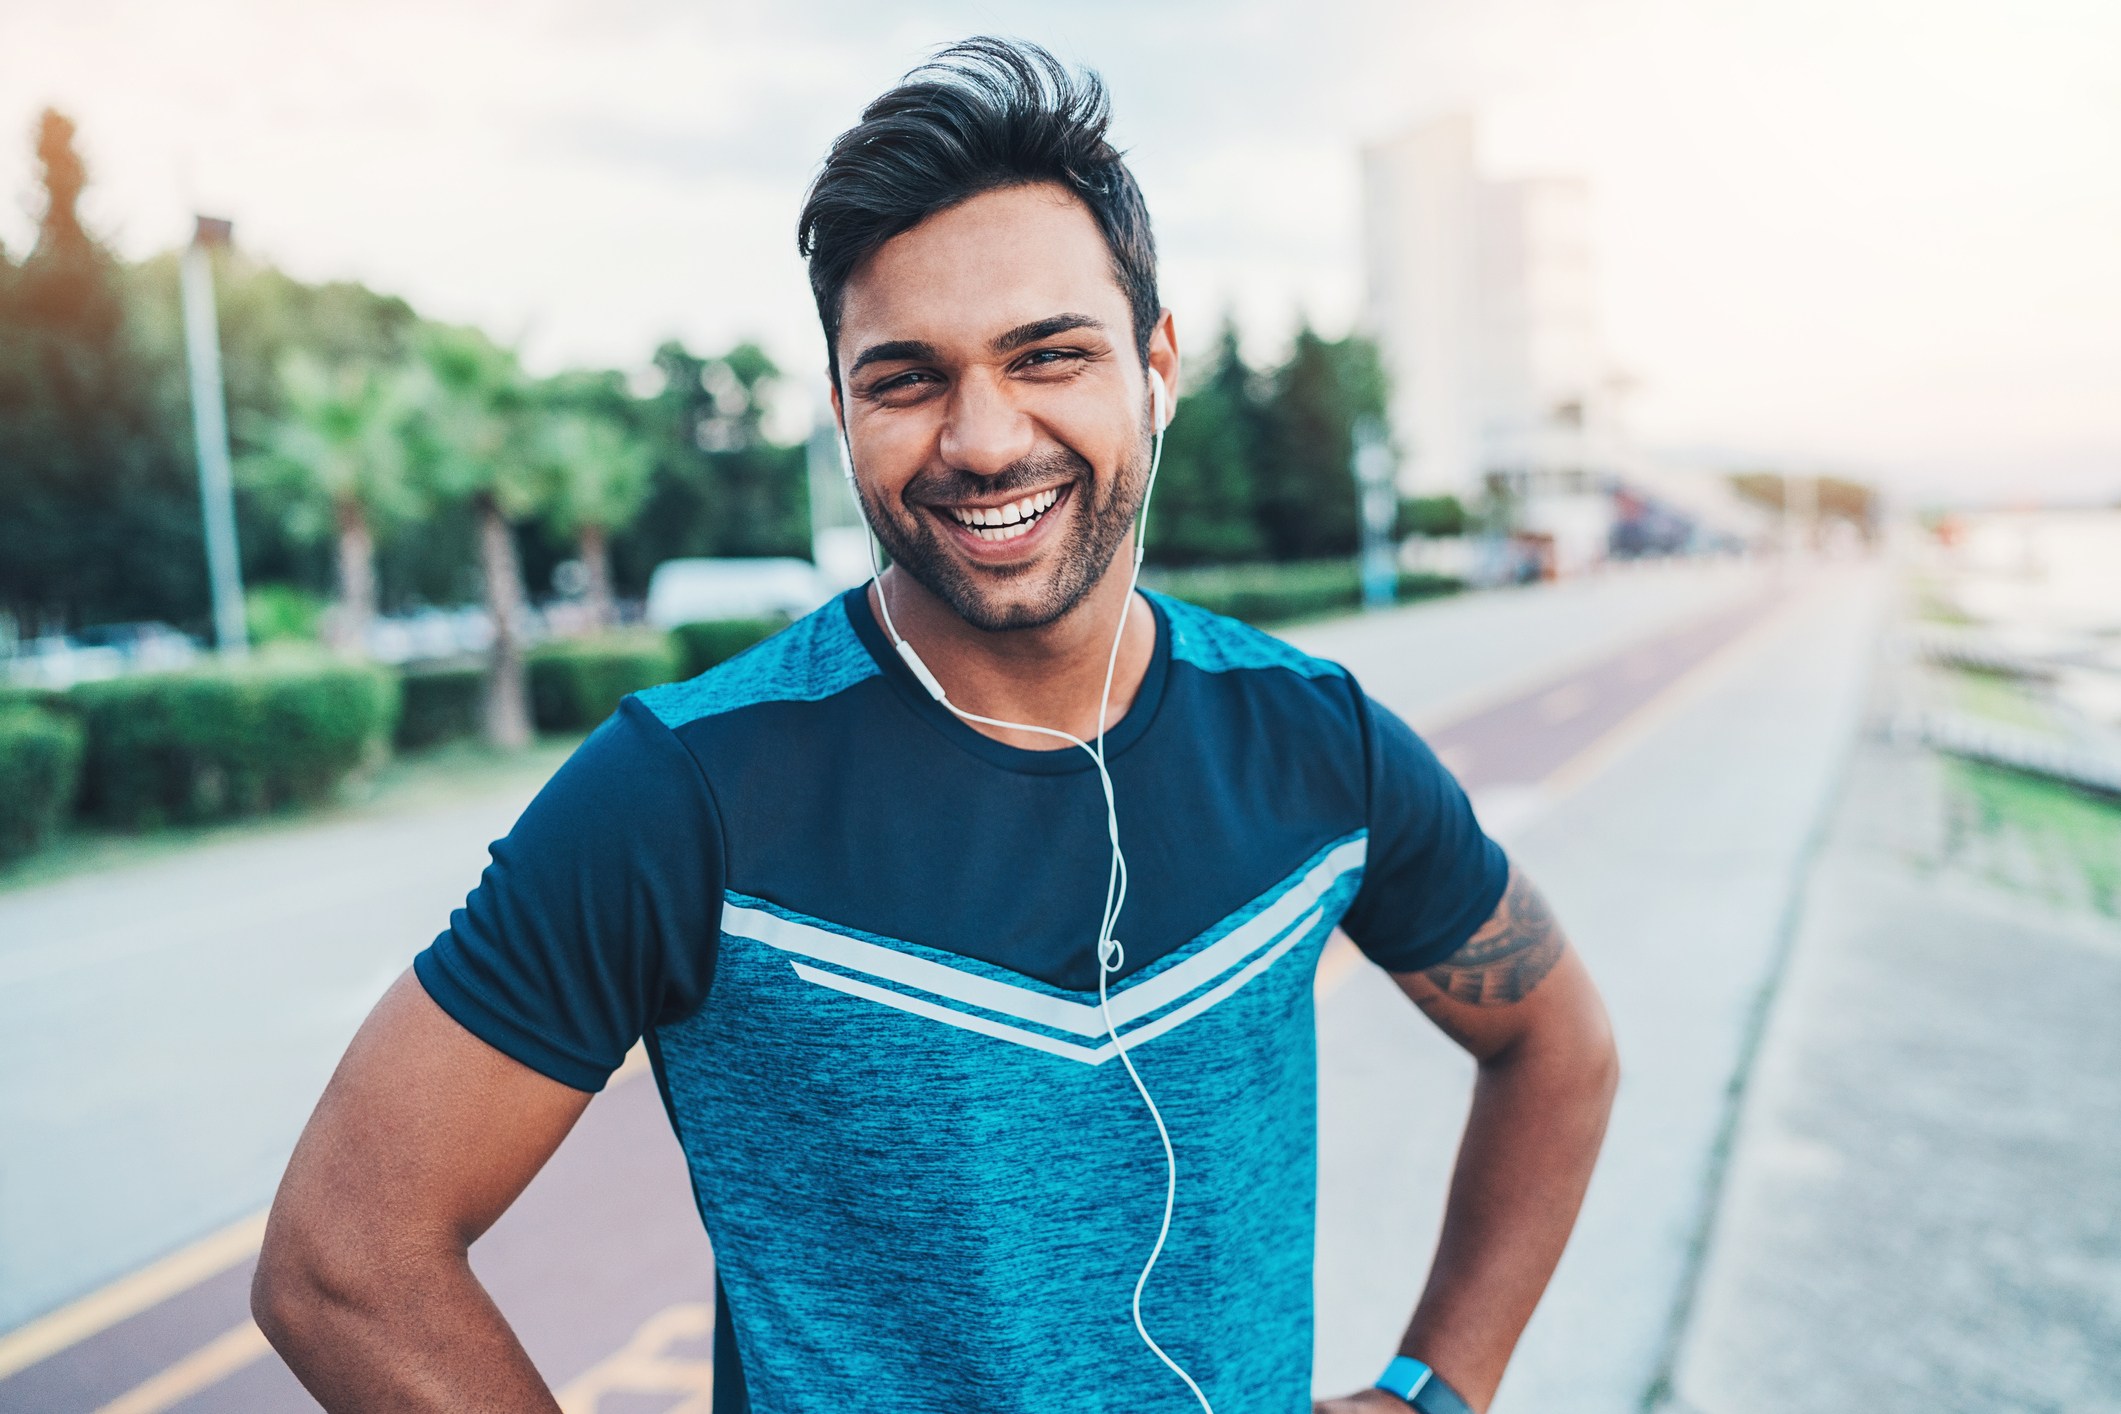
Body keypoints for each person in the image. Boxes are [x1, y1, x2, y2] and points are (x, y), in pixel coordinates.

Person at [253, 38, 1617, 1414]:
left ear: (1155, 364)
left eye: (1048, 355)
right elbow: (341, 1259)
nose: (979, 437)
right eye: (906, 377)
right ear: (842, 405)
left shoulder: (1312, 739)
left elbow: (1556, 1045)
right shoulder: (691, 789)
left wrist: (1433, 1390)